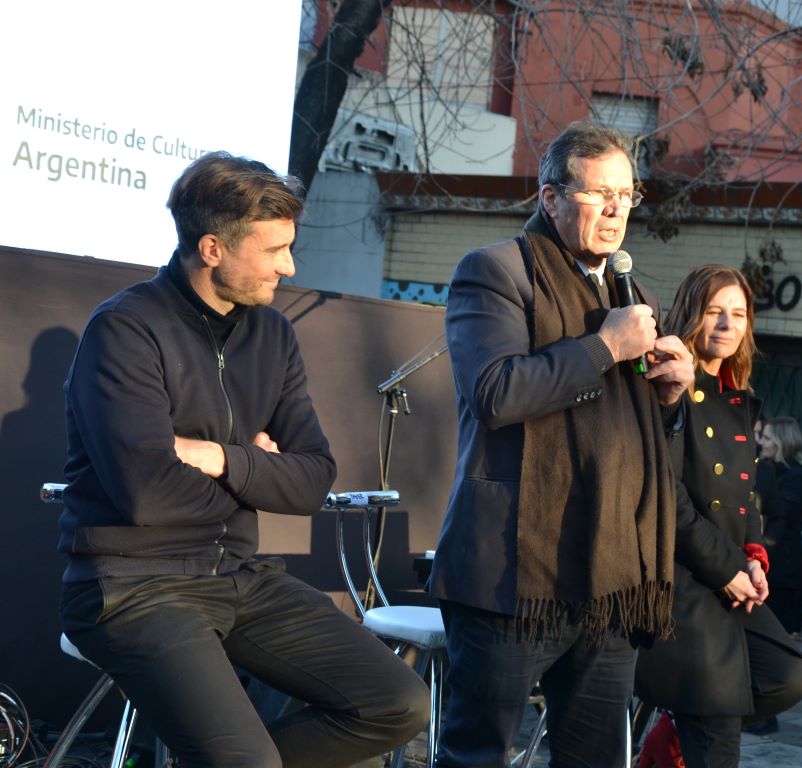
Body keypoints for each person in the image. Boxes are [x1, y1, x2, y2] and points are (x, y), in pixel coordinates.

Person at [58, 152, 430, 768]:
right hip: (131, 586)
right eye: (274, 249)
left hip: (238, 575)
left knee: (397, 703)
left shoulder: (273, 334)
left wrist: (216, 458)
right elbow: (146, 497)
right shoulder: (125, 330)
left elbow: (313, 481)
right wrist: (259, 471)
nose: (290, 265)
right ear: (212, 248)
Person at [428, 121, 695, 767]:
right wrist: (606, 347)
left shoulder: (635, 297)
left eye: (627, 195)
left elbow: (642, 446)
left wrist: (670, 397)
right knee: (476, 755)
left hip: (607, 574)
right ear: (550, 198)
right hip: (513, 575)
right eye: (597, 192)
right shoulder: (495, 272)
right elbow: (495, 395)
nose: (615, 209)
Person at [635, 264, 802, 768]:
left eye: (738, 314)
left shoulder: (738, 397)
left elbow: (745, 497)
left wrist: (753, 558)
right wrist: (726, 569)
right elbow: (669, 496)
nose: (726, 325)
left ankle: (668, 733)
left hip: (729, 576)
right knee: (715, 733)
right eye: (715, 311)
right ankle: (682, 727)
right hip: (683, 583)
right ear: (692, 313)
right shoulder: (668, 384)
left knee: (786, 677)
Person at [758, 416, 802, 635]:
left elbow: (780, 517)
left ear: (781, 442)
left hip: (782, 569)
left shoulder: (796, 477)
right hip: (768, 563)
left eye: (767, 438)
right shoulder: (768, 469)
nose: (762, 443)